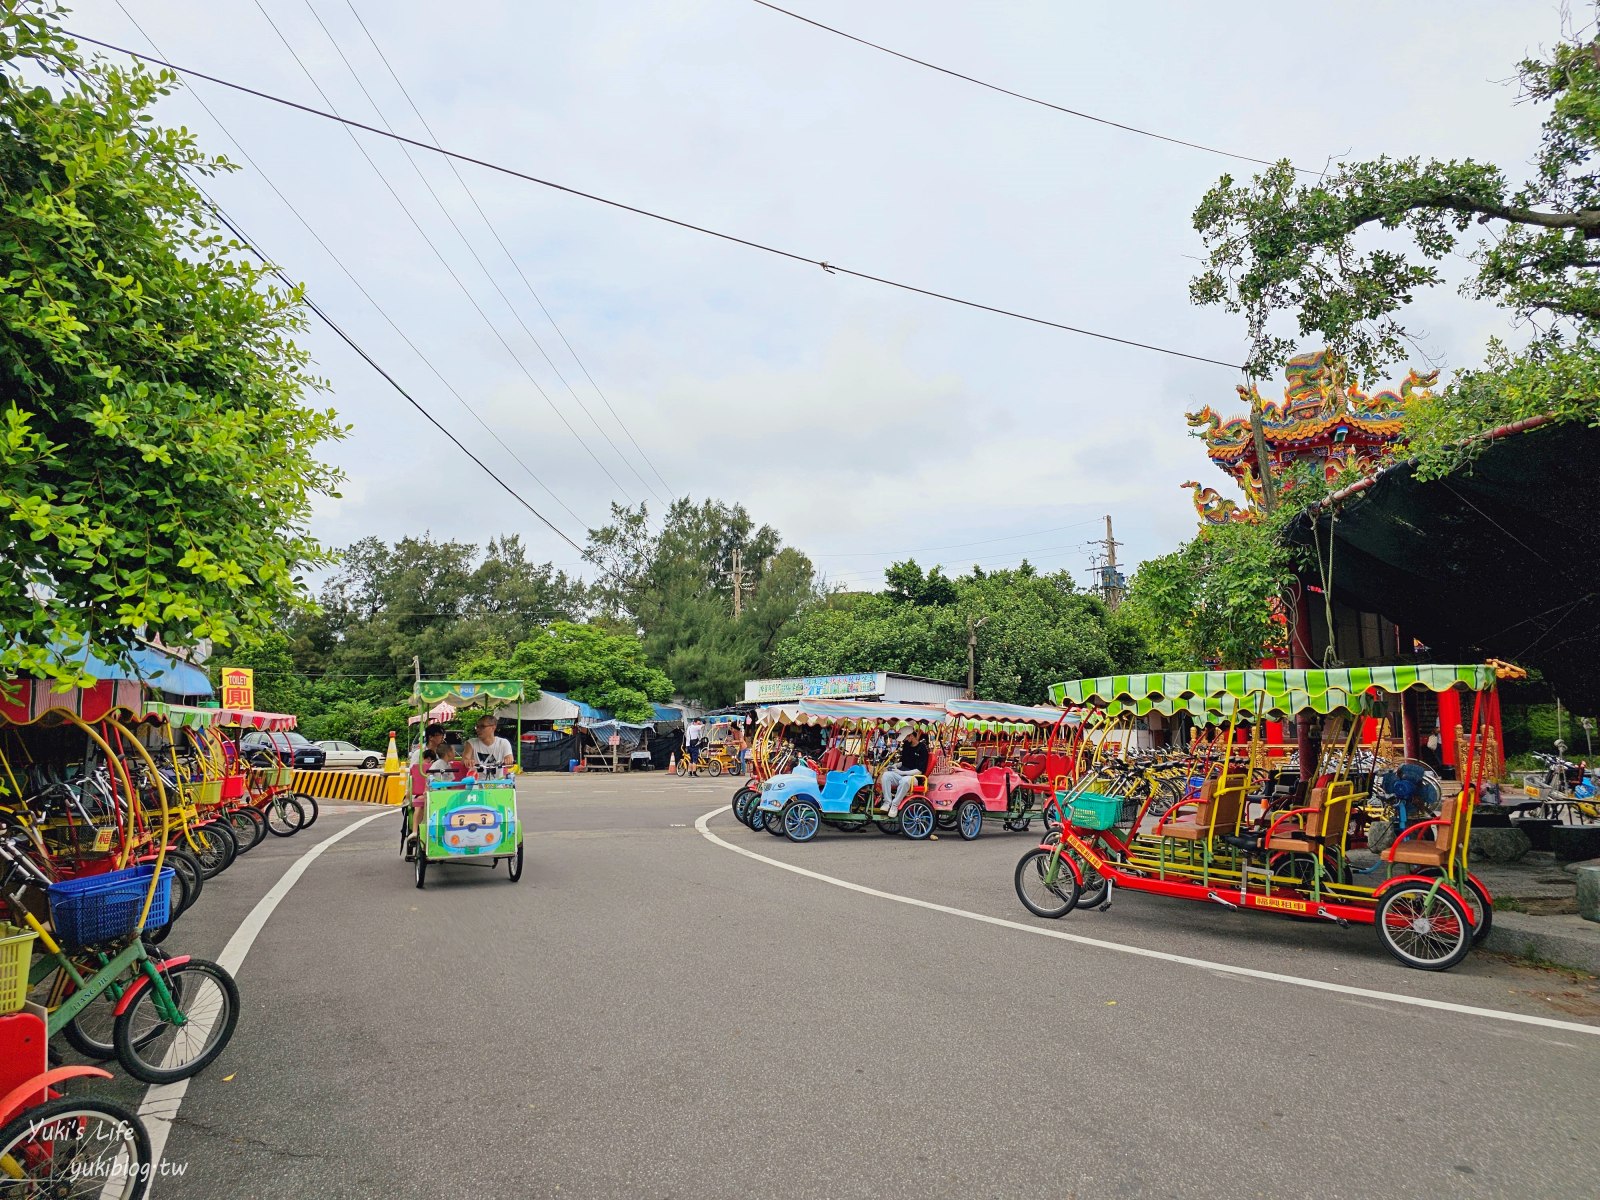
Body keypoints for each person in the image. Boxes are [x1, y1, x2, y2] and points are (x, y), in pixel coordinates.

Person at [879, 728, 930, 817]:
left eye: (906, 738)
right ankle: (887, 802)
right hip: (902, 773)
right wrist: (896, 765)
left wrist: (901, 772)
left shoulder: (922, 749)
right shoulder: (906, 745)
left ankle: (895, 805)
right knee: (886, 775)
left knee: (905, 780)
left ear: (911, 736)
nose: (905, 740)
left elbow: (919, 770)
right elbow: (904, 762)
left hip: (914, 778)